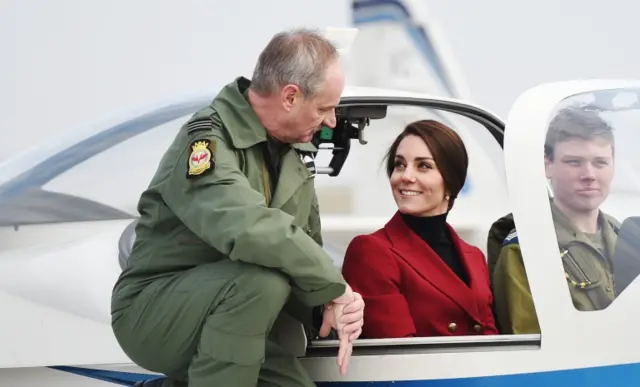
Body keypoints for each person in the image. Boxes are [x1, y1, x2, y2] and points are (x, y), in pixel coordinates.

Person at [110, 28, 365, 387]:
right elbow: (249, 228)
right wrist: (332, 287)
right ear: (290, 97)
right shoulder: (206, 141)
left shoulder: (295, 155)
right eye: (324, 108)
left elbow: (305, 245)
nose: (331, 122)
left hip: (237, 319)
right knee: (262, 282)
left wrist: (333, 304)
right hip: (154, 311)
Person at [341, 120, 498, 338]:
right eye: (399, 164)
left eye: (423, 166)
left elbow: (492, 340)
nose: (406, 176)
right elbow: (399, 356)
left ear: (451, 182)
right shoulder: (371, 252)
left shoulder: (474, 257)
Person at [491, 105, 619, 334]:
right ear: (547, 164)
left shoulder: (630, 239)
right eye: (574, 162)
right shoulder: (526, 249)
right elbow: (532, 347)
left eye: (600, 162)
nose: (589, 175)